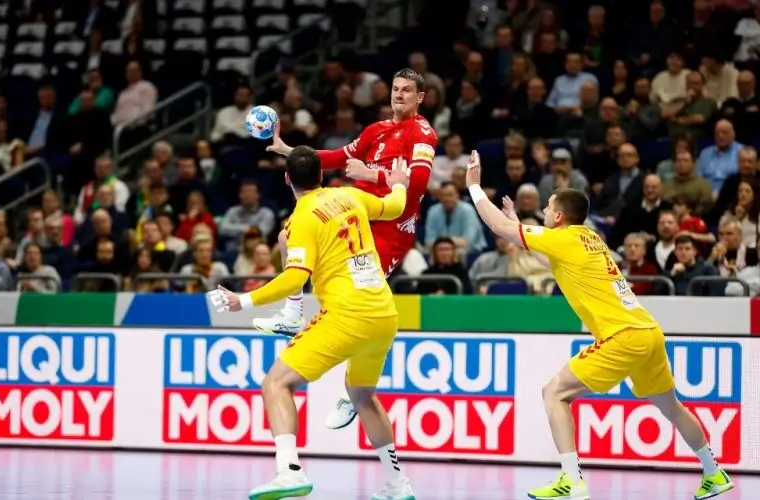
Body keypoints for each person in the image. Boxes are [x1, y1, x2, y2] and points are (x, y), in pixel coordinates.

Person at [463, 151, 734, 500]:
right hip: (648, 331)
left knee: (554, 393)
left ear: (558, 216)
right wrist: (517, 223)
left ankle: (572, 481)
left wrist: (474, 188)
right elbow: (546, 256)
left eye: (547, 207)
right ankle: (714, 473)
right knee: (672, 407)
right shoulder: (589, 238)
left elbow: (499, 229)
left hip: (622, 335)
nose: (543, 211)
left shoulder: (563, 237)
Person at [208, 146, 416, 500]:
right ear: (321, 175)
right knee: (362, 395)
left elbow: (295, 278)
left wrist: (242, 301)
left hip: (347, 315)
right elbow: (395, 207)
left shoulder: (302, 218)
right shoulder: (350, 196)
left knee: (275, 383)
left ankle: (289, 471)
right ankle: (397, 485)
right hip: (384, 314)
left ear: (287, 179)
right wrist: (398, 183)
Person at [258, 68, 439, 430]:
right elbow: (337, 157)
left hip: (390, 228)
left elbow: (417, 184)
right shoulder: (376, 130)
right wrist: (288, 151)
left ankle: (352, 392)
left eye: (407, 90)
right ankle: (292, 313)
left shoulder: (423, 134)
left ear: (420, 97)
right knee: (285, 239)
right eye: (395, 88)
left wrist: (370, 175)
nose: (399, 94)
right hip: (357, 218)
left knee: (362, 308)